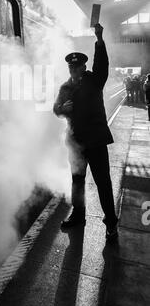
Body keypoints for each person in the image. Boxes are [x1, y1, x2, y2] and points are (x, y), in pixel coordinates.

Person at [53, 23, 118, 241]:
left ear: (84, 67)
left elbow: (102, 64)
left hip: (96, 142)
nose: (75, 71)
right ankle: (78, 217)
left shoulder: (95, 80)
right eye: (72, 69)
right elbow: (55, 109)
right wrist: (62, 109)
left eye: (78, 67)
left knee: (104, 184)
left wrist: (99, 39)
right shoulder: (64, 88)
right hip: (76, 143)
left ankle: (111, 223)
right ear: (69, 70)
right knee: (77, 183)